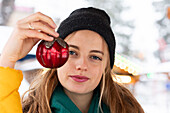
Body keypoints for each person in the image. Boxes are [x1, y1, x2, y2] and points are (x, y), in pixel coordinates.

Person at [0, 7, 144, 113]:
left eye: (95, 57)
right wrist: (8, 58)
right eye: (72, 52)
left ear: (106, 67)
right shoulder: (25, 110)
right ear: (55, 56)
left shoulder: (129, 110)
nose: (82, 66)